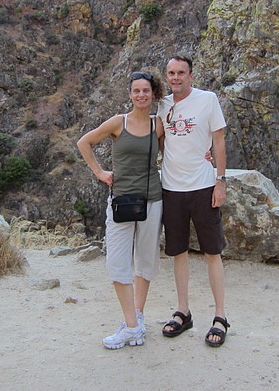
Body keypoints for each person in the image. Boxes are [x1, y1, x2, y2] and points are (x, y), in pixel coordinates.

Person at [76, 71, 165, 350]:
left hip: (152, 200)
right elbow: (84, 142)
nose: (141, 95)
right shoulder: (118, 123)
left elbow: (174, 151)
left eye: (146, 91)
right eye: (136, 90)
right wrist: (100, 172)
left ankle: (136, 319)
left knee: (146, 262)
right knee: (117, 264)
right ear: (130, 94)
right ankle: (131, 325)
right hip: (122, 201)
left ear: (153, 94)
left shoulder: (158, 125)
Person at [157, 55, 230, 347]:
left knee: (212, 251)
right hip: (171, 188)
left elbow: (219, 140)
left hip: (202, 186)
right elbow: (159, 139)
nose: (176, 78)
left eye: (181, 73)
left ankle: (220, 316)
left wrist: (220, 181)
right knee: (178, 252)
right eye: (171, 73)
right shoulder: (162, 105)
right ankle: (183, 311)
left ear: (190, 75)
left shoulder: (207, 100)